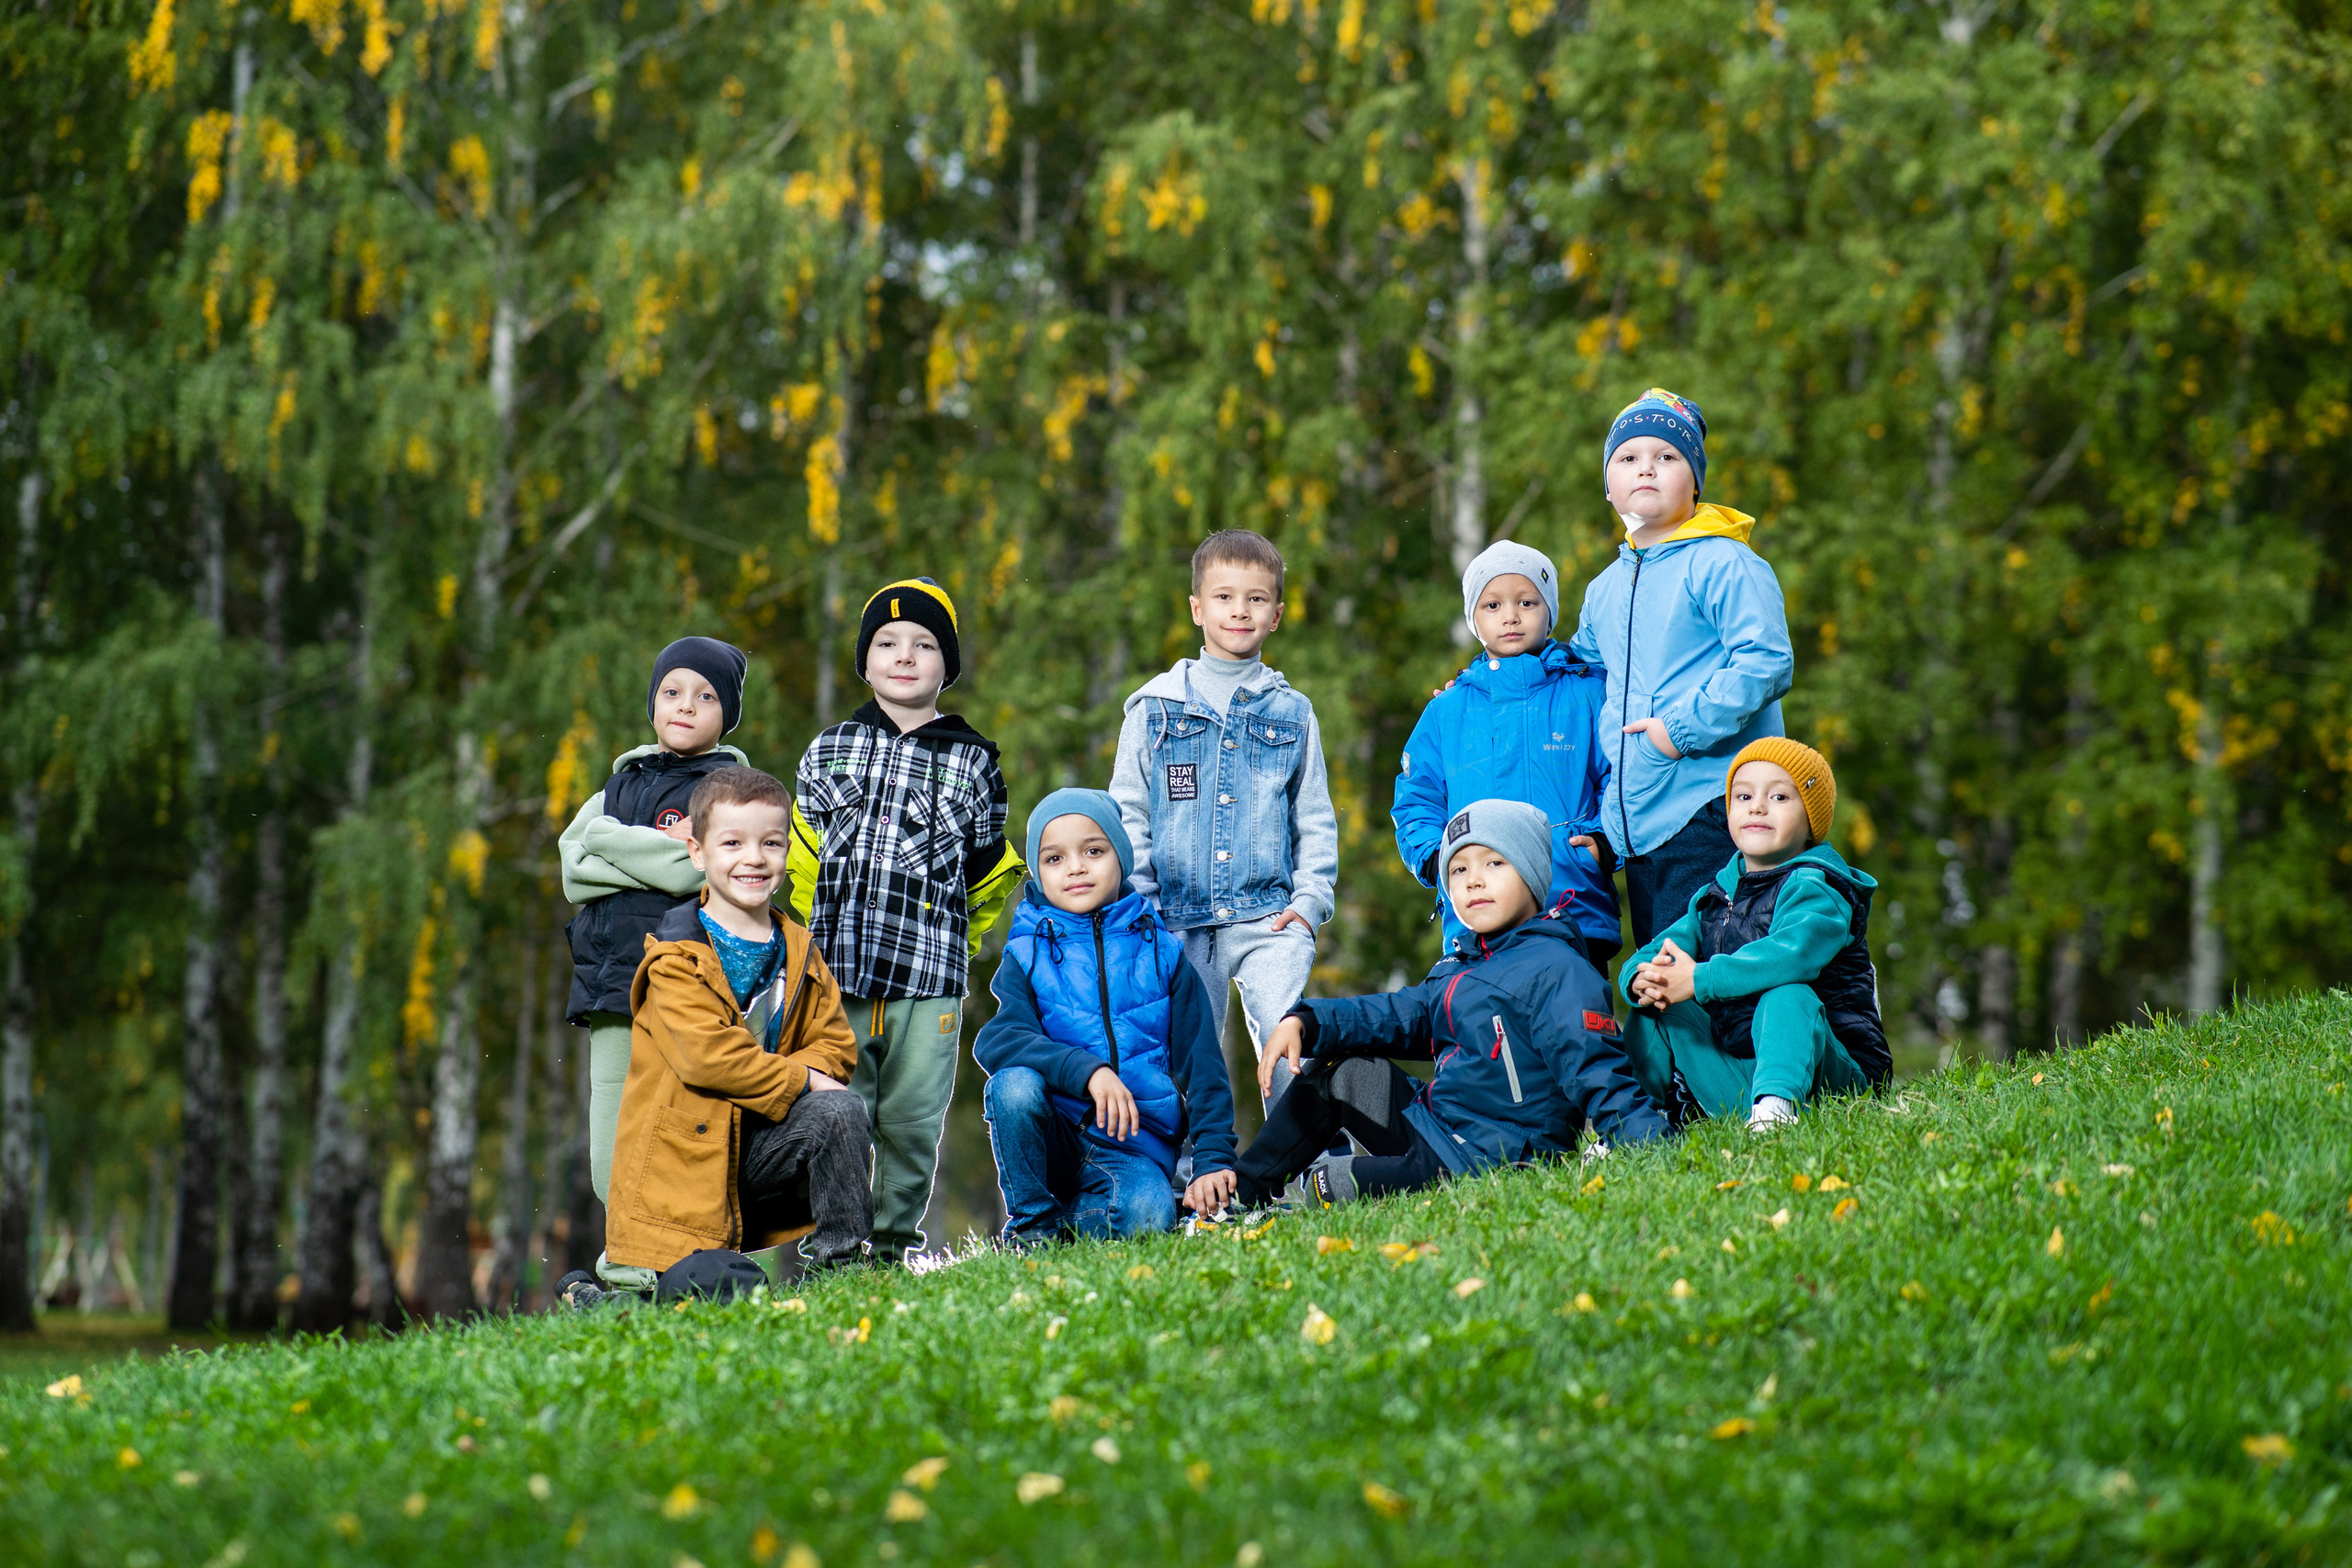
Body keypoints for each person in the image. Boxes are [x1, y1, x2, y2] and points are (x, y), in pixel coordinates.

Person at [1238, 800, 1670, 1210]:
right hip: (1436, 1126)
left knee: (1328, 1182)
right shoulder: (1459, 964)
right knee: (1342, 1070)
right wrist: (1307, 1022)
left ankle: (1297, 1199)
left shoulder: (1558, 969)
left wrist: (1654, 1152)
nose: (1473, 880)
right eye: (1458, 868)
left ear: (1533, 873)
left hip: (1493, 1161)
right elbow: (1397, 1015)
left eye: (1495, 862)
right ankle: (1240, 1196)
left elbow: (1597, 1072)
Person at [789, 578, 1024, 1265]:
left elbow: (986, 877)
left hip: (930, 980)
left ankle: (890, 1247)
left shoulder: (976, 761)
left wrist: (959, 948)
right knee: (839, 1113)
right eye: (887, 643)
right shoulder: (829, 748)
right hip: (837, 973)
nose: (905, 655)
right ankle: (835, 1246)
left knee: (913, 1122)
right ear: (864, 661)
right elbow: (802, 863)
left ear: (947, 667)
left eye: (925, 645)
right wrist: (802, 950)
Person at [601, 765, 872, 1280]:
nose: (754, 858)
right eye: (732, 843)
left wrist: (811, 1079)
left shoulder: (801, 952)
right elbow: (709, 1060)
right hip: (685, 1165)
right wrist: (800, 1078)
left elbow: (835, 1046)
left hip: (760, 1148)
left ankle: (844, 1270)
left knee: (840, 1110)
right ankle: (593, 1291)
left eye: (771, 843)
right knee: (676, 1297)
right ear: (698, 853)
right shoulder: (675, 961)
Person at [1108, 529, 1339, 1104]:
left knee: (1289, 1039)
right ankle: (1192, 1180)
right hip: (1176, 919)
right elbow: (1128, 814)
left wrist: (1309, 905)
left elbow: (1313, 818)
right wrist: (1143, 907)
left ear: (1277, 615)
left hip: (1269, 917)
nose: (1241, 610)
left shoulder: (1292, 712)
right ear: (1196, 608)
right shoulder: (1152, 708)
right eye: (1224, 597)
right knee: (1186, 1052)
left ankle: (1300, 1175)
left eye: (1257, 599)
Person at [1569, 389, 1795, 946]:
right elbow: (1578, 675)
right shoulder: (1604, 589)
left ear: (1694, 480)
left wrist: (1678, 731)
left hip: (1711, 805)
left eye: (1667, 457)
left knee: (1702, 984)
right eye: (1628, 458)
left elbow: (1766, 660)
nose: (1646, 467)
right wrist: (1489, 678)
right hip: (1637, 824)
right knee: (1659, 988)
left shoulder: (1724, 561)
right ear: (1608, 486)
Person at [972, 789, 1238, 1245]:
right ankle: (1033, 1231)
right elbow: (1000, 1040)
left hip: (1132, 1149)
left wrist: (1213, 1160)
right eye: (1054, 859)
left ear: (1122, 855)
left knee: (1149, 1218)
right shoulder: (1025, 953)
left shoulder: (1164, 953)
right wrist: (1088, 1071)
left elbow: (1204, 1067)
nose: (1076, 867)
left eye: (1093, 851)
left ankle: (1076, 1224)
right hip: (1052, 1137)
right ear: (1038, 873)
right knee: (1013, 1085)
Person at [560, 636, 752, 1207]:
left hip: (688, 990)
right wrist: (645, 847)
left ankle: (688, 1259)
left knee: (680, 1127)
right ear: (653, 704)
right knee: (610, 1142)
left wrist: (608, 841)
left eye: (706, 696)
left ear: (728, 717)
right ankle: (624, 1267)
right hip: (612, 984)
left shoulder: (732, 793)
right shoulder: (617, 787)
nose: (686, 705)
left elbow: (688, 873)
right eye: (672, 691)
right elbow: (574, 871)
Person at [1620, 739, 1889, 1133]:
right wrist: (1642, 976)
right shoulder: (1715, 893)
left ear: (1811, 820)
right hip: (1744, 1071)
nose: (1757, 806)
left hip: (1833, 1079)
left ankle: (1777, 1112)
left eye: (1780, 796)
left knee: (1787, 993)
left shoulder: (1819, 887)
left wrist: (1697, 979)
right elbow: (1662, 947)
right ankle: (1637, 1122)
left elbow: (1790, 956)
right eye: (1743, 795)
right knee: (1656, 1002)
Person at [1393, 540, 1619, 970]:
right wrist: (1437, 856)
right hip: (1478, 919)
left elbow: (1620, 777)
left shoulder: (1590, 693)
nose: (1511, 615)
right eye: (1493, 605)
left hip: (1572, 903)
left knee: (1575, 1031)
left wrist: (1602, 844)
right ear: (1473, 619)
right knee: (1485, 1033)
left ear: (1549, 612)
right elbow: (1417, 795)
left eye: (1527, 602)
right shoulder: (1447, 710)